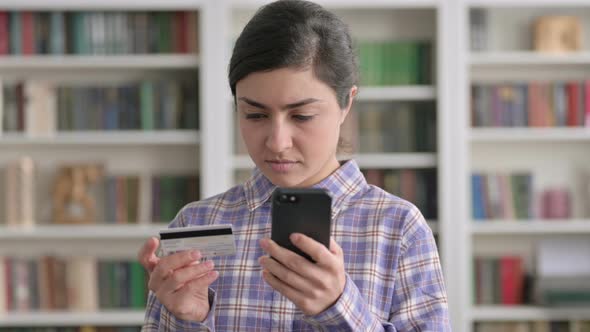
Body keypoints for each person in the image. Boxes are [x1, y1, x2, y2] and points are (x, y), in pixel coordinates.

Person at [138, 0, 451, 330]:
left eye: (302, 116)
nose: (277, 142)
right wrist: (189, 321)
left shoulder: (398, 229)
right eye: (255, 114)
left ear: (347, 104)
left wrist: (338, 307)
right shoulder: (195, 224)